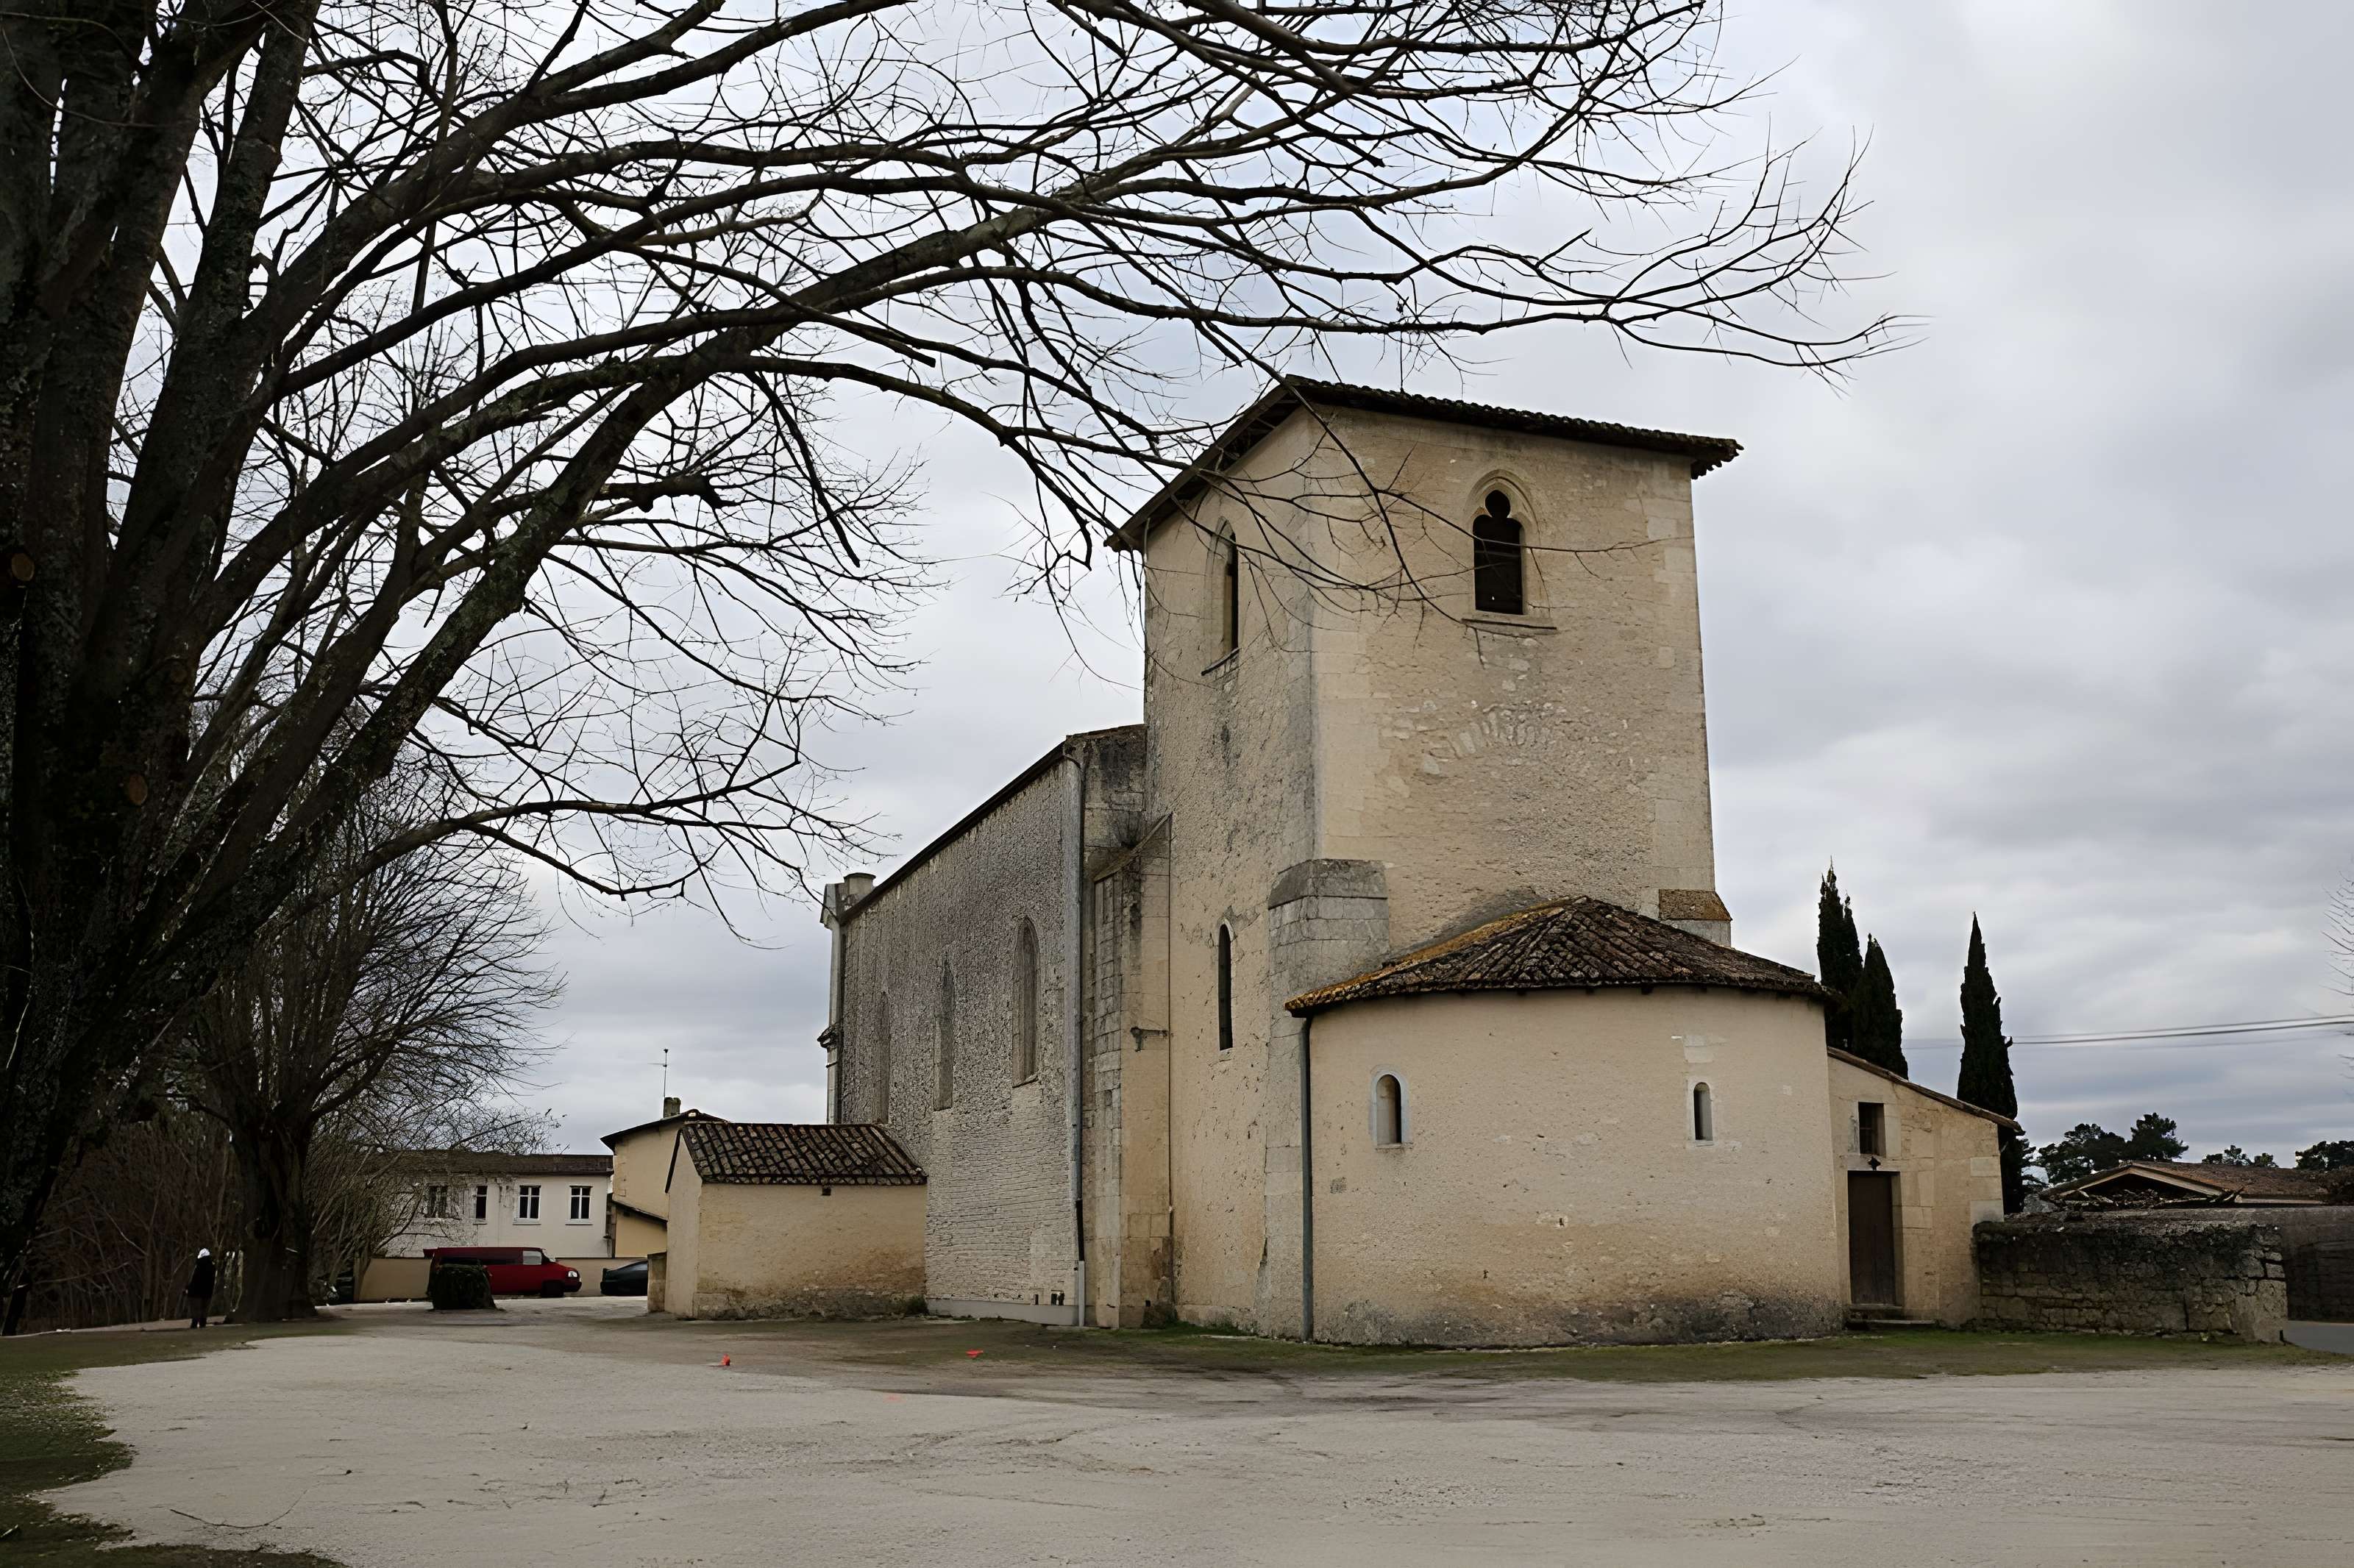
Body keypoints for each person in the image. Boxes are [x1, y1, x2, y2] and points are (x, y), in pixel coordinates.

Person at [186, 1247, 216, 1328]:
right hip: (208, 1291)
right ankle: (203, 1322)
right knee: (204, 1308)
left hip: (196, 1291)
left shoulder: (198, 1266)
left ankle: (195, 1323)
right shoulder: (212, 1267)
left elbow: (194, 1279)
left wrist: (189, 1288)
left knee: (196, 1308)